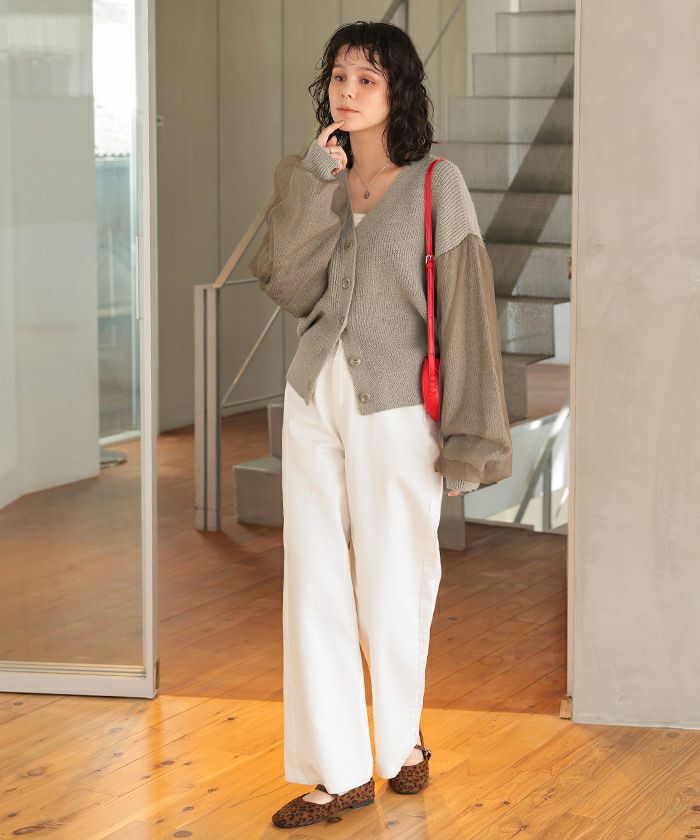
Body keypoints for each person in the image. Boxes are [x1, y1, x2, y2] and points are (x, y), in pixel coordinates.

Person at [247, 20, 512, 830]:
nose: (348, 90)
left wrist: (470, 438)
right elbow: (286, 284)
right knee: (313, 584)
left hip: (396, 410)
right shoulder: (318, 177)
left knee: (395, 586)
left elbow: (465, 313)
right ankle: (338, 773)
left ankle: (400, 744)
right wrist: (313, 181)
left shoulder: (437, 182)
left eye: (367, 78)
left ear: (398, 92)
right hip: (312, 398)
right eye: (338, 76)